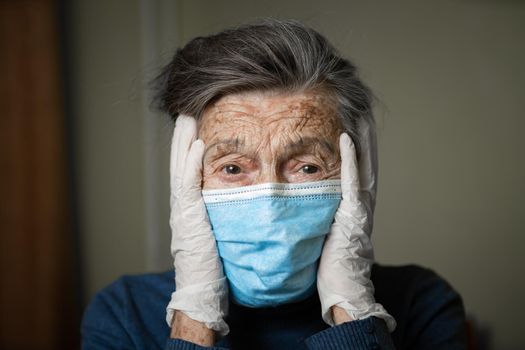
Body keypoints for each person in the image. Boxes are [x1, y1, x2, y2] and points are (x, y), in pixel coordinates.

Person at [82, 19, 468, 349]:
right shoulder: (124, 312)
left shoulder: (421, 302)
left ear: (358, 174)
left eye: (307, 167)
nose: (271, 204)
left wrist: (354, 312)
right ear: (186, 178)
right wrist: (194, 317)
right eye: (232, 168)